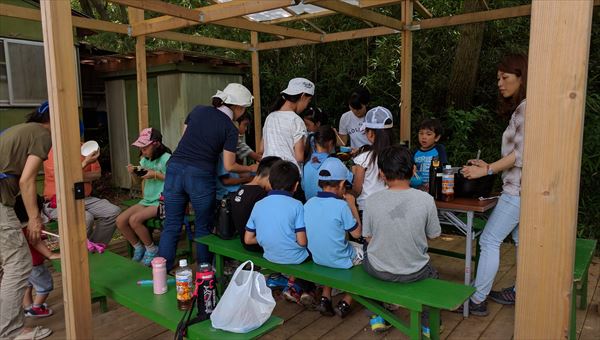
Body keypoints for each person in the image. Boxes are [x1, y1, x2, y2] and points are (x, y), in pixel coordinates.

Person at [159, 83, 257, 270]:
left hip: (174, 168)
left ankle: (160, 274)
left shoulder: (198, 110)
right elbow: (229, 164)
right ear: (238, 107)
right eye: (243, 109)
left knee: (171, 225)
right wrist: (251, 167)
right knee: (203, 228)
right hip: (199, 174)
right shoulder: (230, 128)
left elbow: (185, 137)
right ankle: (205, 272)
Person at [460, 54, 528, 316]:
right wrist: (487, 164)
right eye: (498, 78)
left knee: (489, 240)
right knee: (521, 240)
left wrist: (487, 169)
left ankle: (476, 300)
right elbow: (517, 156)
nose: (499, 83)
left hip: (516, 191)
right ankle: (521, 291)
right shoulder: (525, 107)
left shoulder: (526, 107)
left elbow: (522, 154)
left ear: (521, 77)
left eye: (505, 77)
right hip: (524, 189)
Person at [362, 145, 441, 333]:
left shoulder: (371, 201)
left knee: (366, 261)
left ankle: (376, 316)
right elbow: (434, 235)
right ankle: (428, 326)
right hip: (415, 271)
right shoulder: (426, 200)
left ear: (381, 174)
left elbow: (368, 237)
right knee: (434, 275)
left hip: (378, 269)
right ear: (414, 170)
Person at [0, 101, 53, 339]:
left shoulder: (20, 130)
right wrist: (34, 219)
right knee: (18, 263)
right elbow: (26, 180)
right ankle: (10, 332)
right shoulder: (42, 133)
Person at [244, 160, 315, 306]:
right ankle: (300, 287)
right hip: (295, 258)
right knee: (315, 250)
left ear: (269, 181)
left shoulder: (259, 204)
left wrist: (270, 235)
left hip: (270, 256)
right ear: (296, 185)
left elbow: (248, 239)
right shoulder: (297, 205)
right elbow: (302, 242)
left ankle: (289, 283)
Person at [304, 157, 362, 318]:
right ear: (343, 184)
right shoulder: (341, 206)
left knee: (331, 246)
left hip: (318, 258)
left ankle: (325, 298)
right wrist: (352, 205)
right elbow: (357, 233)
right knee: (369, 255)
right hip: (341, 260)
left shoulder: (309, 203)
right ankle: (346, 301)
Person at [43, 138, 121, 247]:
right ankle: (78, 253)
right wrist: (85, 163)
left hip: (85, 198)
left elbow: (97, 174)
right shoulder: (52, 151)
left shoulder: (86, 147)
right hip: (59, 201)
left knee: (113, 212)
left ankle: (94, 246)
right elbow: (62, 178)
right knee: (86, 218)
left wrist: (73, 177)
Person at [116, 128, 171, 266]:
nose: (143, 151)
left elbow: (174, 180)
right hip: (147, 200)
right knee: (121, 220)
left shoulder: (167, 159)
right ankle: (138, 248)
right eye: (141, 147)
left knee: (134, 220)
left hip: (161, 201)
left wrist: (155, 174)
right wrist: (133, 173)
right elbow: (138, 181)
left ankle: (152, 249)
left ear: (156, 144)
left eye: (145, 147)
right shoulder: (145, 160)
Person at [13, 195, 60, 318]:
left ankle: (28, 307)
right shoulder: (32, 229)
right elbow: (35, 242)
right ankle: (36, 308)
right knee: (45, 285)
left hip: (22, 263)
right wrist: (51, 254)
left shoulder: (17, 228)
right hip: (35, 264)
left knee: (27, 284)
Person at [261, 77, 314, 171]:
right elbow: (300, 157)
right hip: (288, 175)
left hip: (269, 173)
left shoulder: (270, 117)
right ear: (302, 96)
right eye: (308, 101)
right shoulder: (296, 120)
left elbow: (261, 149)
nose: (307, 106)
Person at [230, 156, 280, 252]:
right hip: (257, 245)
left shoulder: (241, 189)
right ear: (271, 176)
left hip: (243, 241)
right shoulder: (262, 194)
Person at [352, 106, 394, 214]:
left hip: (367, 209)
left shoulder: (363, 158)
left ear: (370, 133)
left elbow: (357, 189)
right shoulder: (396, 155)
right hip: (391, 208)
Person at [302, 125, 352, 201]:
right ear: (331, 143)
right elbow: (349, 182)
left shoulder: (306, 164)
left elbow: (303, 187)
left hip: (311, 209)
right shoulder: (335, 162)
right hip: (332, 209)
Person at [412, 118, 448, 190]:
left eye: (428, 134)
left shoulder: (439, 149)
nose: (424, 137)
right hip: (417, 189)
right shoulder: (415, 151)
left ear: (437, 137)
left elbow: (444, 167)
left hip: (434, 187)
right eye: (421, 133)